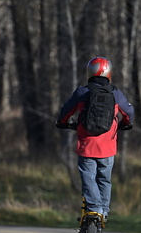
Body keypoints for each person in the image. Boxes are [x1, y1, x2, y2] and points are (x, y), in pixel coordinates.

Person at [56, 56, 134, 220]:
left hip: (86, 146)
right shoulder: (115, 93)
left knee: (88, 178)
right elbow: (129, 113)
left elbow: (65, 112)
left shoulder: (82, 92)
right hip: (108, 147)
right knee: (104, 180)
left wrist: (63, 123)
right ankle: (103, 212)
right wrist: (126, 123)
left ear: (89, 72)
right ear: (109, 73)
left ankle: (94, 208)